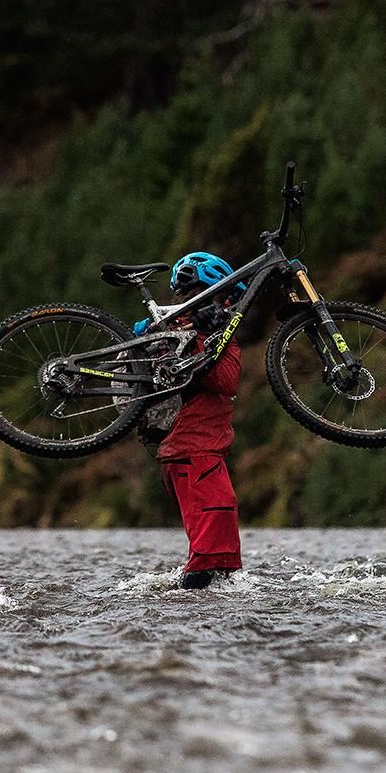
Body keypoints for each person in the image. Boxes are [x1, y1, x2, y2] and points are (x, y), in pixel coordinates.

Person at [135, 251, 243, 590]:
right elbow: (226, 381)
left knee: (217, 559)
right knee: (211, 557)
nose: (228, 308)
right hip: (193, 450)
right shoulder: (183, 335)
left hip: (194, 452)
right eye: (225, 299)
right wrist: (206, 340)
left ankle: (195, 619)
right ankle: (191, 624)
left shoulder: (177, 332)